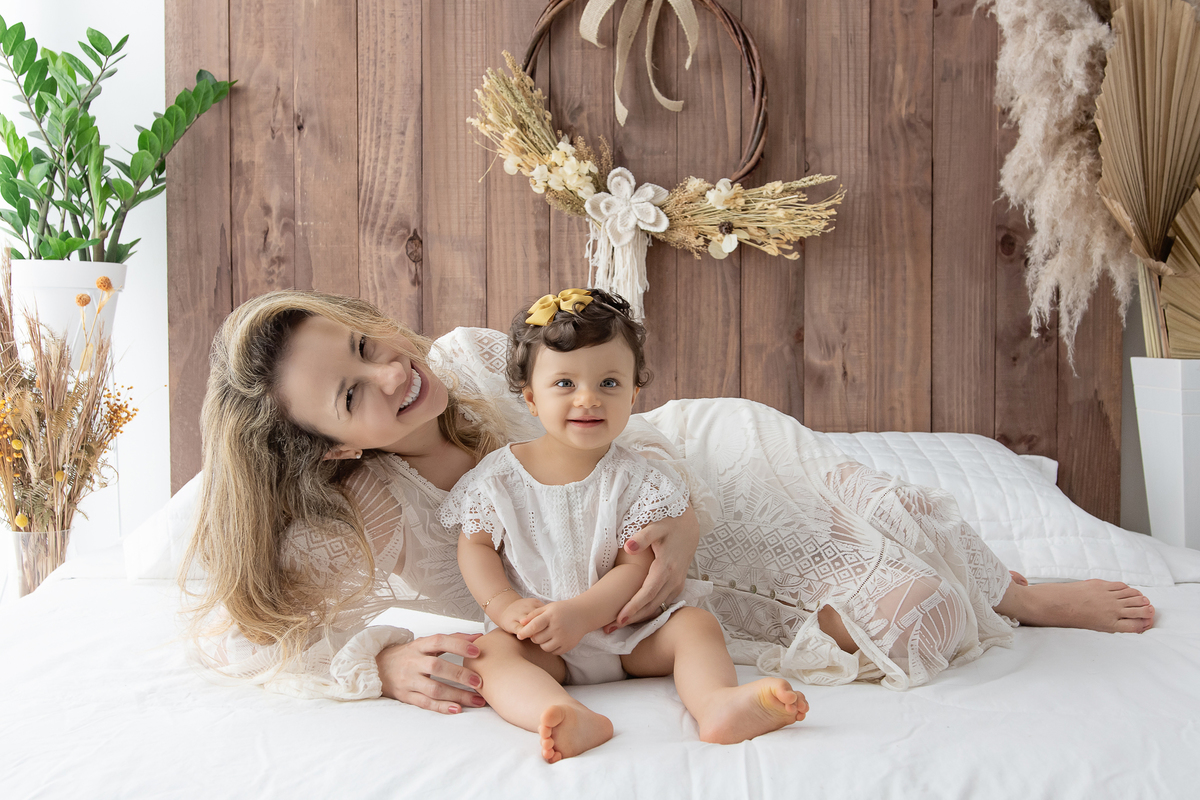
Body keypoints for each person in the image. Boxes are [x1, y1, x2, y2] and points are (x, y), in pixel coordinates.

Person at [181, 288, 1155, 712]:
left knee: (878, 497)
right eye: (355, 392)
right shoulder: (374, 508)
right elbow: (228, 631)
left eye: (363, 343)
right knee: (913, 619)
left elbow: (630, 441)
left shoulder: (476, 360)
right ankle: (971, 593)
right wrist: (386, 657)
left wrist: (678, 538)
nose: (391, 372)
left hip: (695, 485)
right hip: (650, 606)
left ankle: (1018, 587)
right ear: (335, 444)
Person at [441, 289, 806, 761]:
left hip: (629, 635)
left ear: (634, 395)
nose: (588, 398)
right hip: (543, 643)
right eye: (565, 384)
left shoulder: (640, 480)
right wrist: (504, 604)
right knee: (489, 654)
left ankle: (716, 703)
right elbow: (475, 546)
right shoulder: (497, 479)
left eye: (609, 383)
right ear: (531, 399)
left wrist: (580, 617)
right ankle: (561, 712)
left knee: (694, 625)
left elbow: (635, 568)